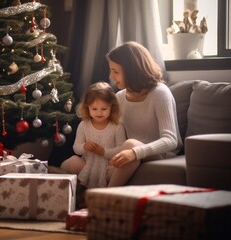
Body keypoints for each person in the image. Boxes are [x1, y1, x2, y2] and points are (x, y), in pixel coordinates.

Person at [107, 41, 182, 186]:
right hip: (131, 153)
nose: (111, 76)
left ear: (132, 70)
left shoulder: (160, 93)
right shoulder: (120, 97)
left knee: (130, 144)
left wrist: (135, 152)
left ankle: (103, 197)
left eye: (115, 71)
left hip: (161, 154)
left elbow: (170, 140)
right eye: (111, 70)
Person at [60, 82, 126, 188]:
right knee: (72, 162)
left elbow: (121, 149)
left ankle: (105, 191)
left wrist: (104, 152)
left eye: (104, 109)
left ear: (112, 107)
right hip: (87, 164)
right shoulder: (84, 125)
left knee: (120, 170)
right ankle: (76, 189)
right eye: (94, 109)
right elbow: (76, 147)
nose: (99, 113)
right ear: (87, 108)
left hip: (109, 166)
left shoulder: (117, 126)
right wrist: (84, 147)